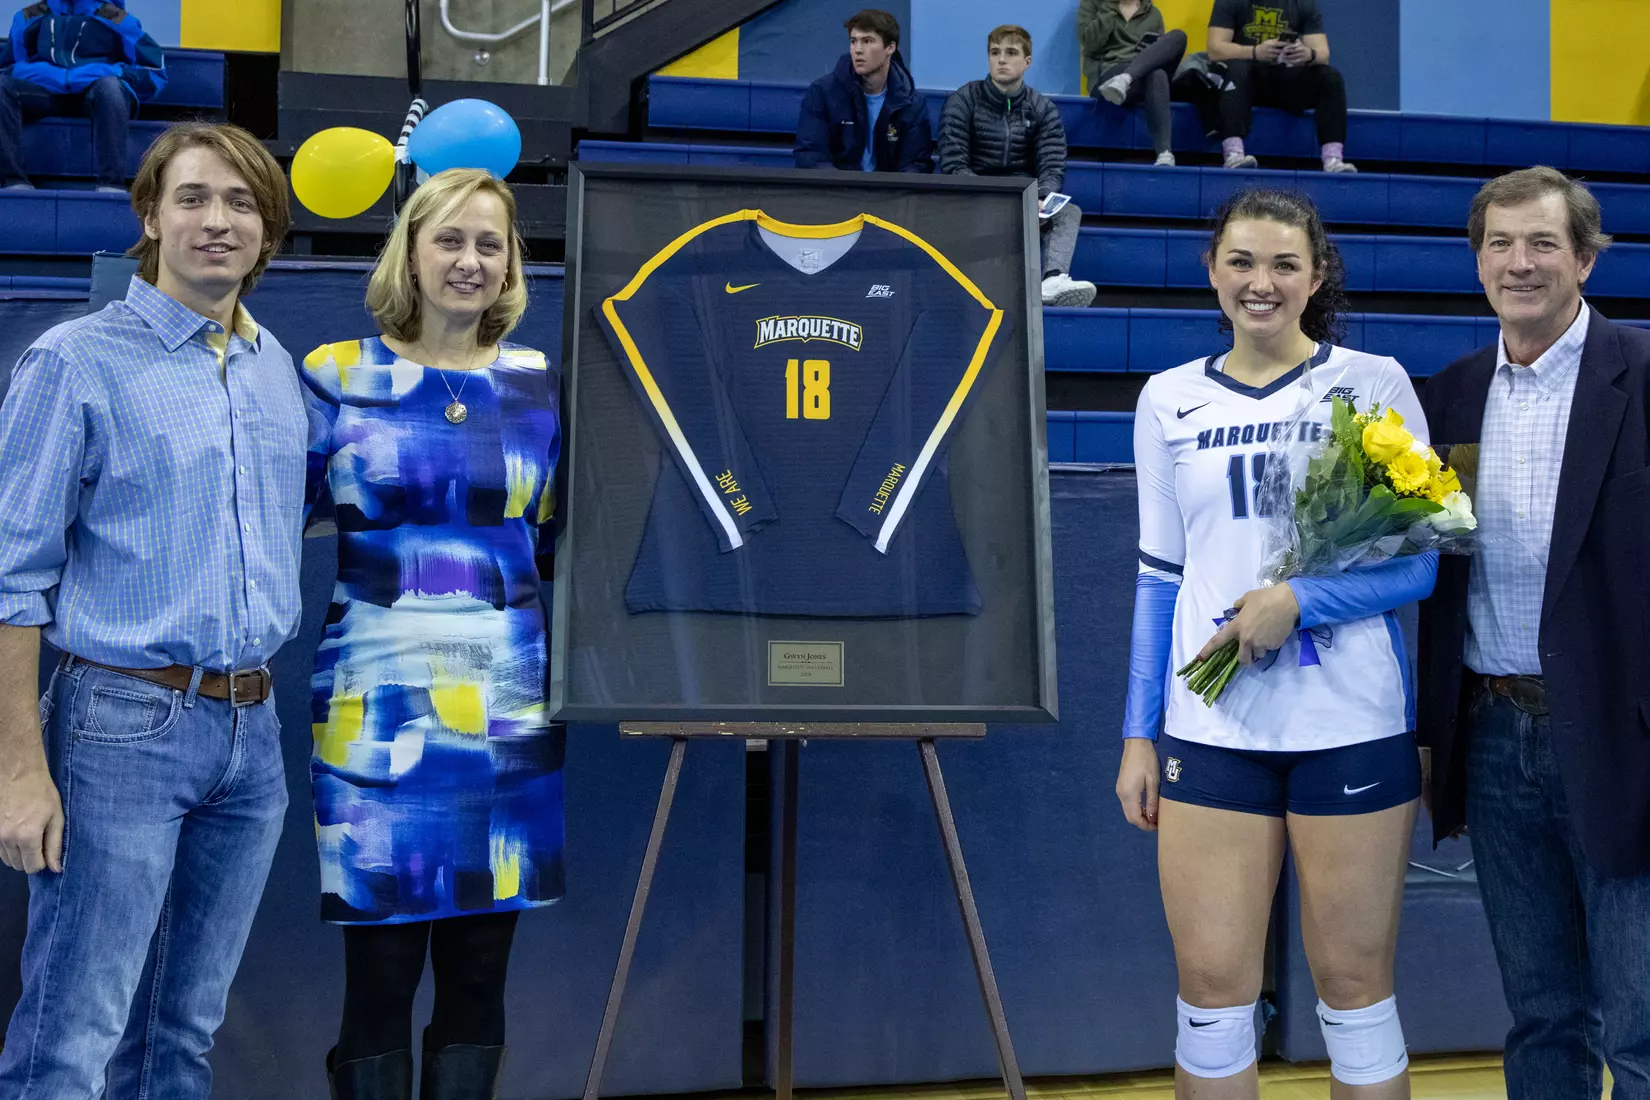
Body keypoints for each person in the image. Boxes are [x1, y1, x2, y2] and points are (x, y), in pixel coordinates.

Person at [0, 120, 299, 1099]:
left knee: (182, 1036)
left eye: (240, 202)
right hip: (119, 726)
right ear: (149, 215)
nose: (217, 220)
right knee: (71, 1035)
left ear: (268, 230)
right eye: (193, 198)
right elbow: (12, 578)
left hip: (253, 736)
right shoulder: (73, 362)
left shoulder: (272, 369)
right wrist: (19, 770)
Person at [1117, 188, 1432, 1100]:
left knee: (1354, 993)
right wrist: (1141, 732)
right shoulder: (1167, 397)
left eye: (1285, 264)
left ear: (1318, 274)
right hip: (1210, 731)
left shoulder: (1371, 383)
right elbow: (1157, 578)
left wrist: (1300, 598)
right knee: (1212, 996)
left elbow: (1417, 569)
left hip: (1350, 724)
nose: (1263, 283)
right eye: (1243, 263)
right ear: (1211, 271)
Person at [301, 167, 564, 1100]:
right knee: (378, 986)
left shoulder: (540, 386)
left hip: (508, 719)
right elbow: (262, 519)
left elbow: (568, 544)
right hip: (370, 714)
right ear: (409, 252)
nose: (470, 260)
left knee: (481, 974)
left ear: (510, 265)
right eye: (449, 239)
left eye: (489, 243)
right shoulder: (335, 376)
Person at [1417, 166, 1650, 1100]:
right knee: (1543, 1017)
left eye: (1544, 243)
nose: (1521, 263)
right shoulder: (1450, 398)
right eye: (1501, 244)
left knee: (1639, 1031)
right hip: (1495, 737)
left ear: (1586, 258)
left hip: (1624, 742)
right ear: (1477, 261)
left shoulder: (1644, 375)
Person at [938, 25, 1097, 308]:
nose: (1001, 60)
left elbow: (1051, 162)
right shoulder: (963, 100)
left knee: (1068, 213)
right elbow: (953, 163)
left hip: (1023, 199)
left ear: (1027, 62)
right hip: (976, 197)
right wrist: (998, 196)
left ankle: (1052, 279)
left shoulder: (1041, 108)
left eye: (1011, 53)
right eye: (995, 52)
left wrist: (1041, 198)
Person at [1, 0, 166, 192]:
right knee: (3, 88)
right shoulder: (27, 17)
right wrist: (53, 76)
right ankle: (13, 181)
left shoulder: (117, 19)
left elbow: (154, 71)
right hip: (43, 95)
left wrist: (113, 72)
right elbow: (7, 67)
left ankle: (111, 184)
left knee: (111, 87)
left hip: (94, 96)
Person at [1205, 0, 1354, 173]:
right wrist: (1255, 52)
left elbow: (1323, 54)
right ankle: (1233, 154)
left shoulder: (1303, 3)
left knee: (1330, 77)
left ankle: (1333, 159)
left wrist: (1308, 54)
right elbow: (1215, 50)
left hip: (1286, 78)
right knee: (1237, 68)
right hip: (1247, 81)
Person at [794, 9, 933, 174]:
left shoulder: (911, 103)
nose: (858, 50)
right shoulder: (822, 93)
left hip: (890, 196)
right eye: (854, 41)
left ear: (890, 48)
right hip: (835, 194)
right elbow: (812, 156)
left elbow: (915, 165)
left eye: (867, 41)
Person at [1078, 0, 1188, 167]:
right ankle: (1164, 150)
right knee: (1156, 74)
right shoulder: (1093, 4)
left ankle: (1164, 154)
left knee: (1178, 38)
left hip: (1139, 73)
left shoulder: (1153, 13)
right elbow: (1090, 44)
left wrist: (1149, 51)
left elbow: (1160, 54)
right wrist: (1110, 7)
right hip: (1109, 73)